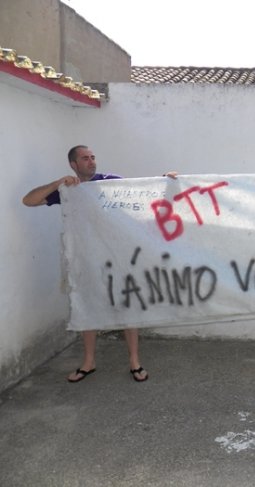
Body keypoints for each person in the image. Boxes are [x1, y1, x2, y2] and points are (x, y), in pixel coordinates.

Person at [22, 145, 177, 383]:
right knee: (88, 309)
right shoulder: (69, 190)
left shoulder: (109, 181)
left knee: (128, 310)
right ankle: (89, 362)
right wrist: (58, 183)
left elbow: (141, 194)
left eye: (93, 157)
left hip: (118, 258)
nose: (92, 161)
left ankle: (135, 362)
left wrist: (163, 180)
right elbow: (29, 200)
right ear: (73, 164)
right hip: (86, 259)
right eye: (85, 158)